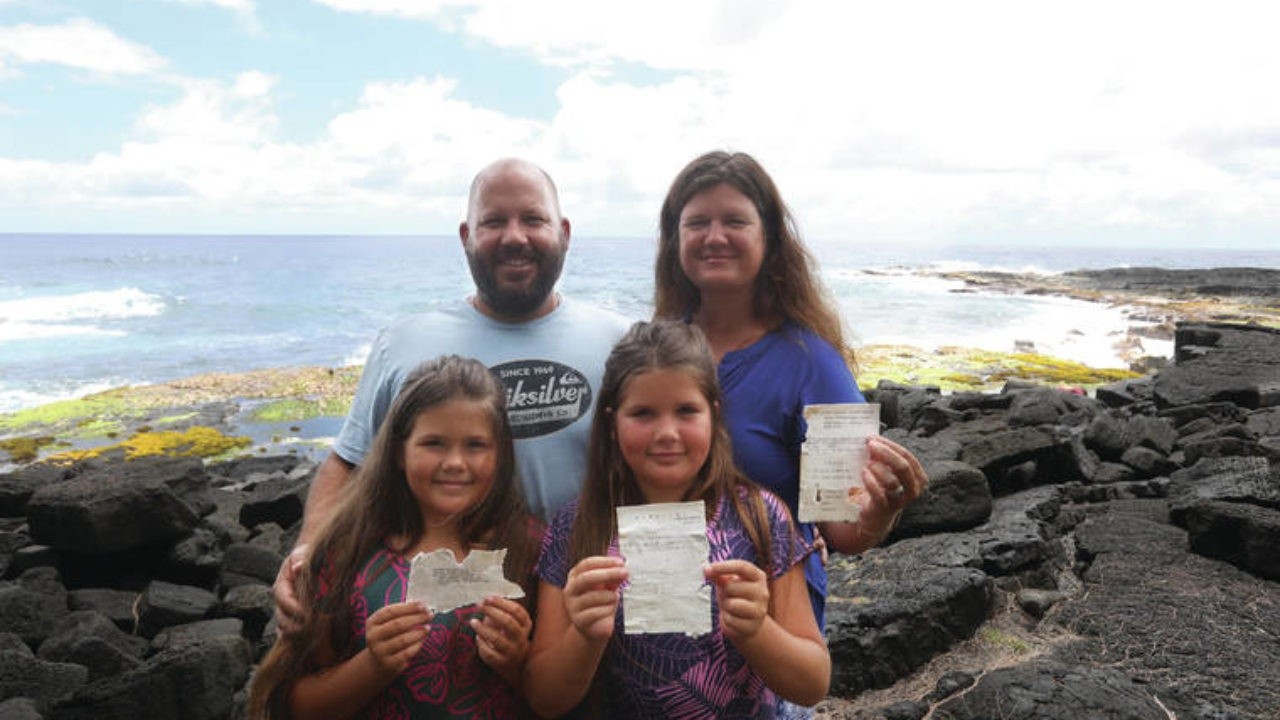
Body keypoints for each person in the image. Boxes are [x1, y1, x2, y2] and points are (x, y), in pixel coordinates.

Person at [274, 158, 631, 633]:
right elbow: (350, 460)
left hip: (592, 607)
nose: (514, 236)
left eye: (533, 219)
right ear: (466, 236)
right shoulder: (405, 343)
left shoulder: (619, 340)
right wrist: (308, 552)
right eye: (493, 221)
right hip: (455, 613)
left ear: (563, 231)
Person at [653, 150, 928, 629]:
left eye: (735, 221)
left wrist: (883, 508)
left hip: (771, 626)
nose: (714, 237)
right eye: (697, 222)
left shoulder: (810, 363)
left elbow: (844, 530)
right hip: (663, 614)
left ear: (770, 238)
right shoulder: (652, 350)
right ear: (675, 239)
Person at [524, 321, 830, 719]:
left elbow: (812, 684)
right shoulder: (577, 528)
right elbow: (545, 699)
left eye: (686, 411)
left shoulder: (760, 515)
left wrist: (758, 631)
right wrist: (583, 636)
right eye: (643, 414)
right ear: (613, 423)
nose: (667, 432)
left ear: (714, 415)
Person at [248, 355, 541, 719]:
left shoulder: (531, 548)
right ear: (399, 451)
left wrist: (515, 662)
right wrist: (372, 666)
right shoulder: (346, 550)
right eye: (433, 443)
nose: (454, 462)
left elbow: (553, 696)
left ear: (501, 454)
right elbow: (290, 703)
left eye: (476, 445)